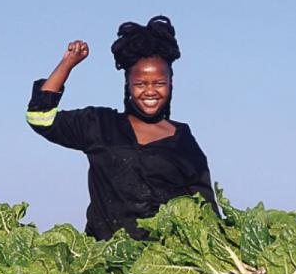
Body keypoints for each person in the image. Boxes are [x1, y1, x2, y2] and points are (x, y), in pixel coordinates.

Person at [26, 15, 217, 241]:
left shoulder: (182, 139)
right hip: (101, 262)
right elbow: (40, 118)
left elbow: (206, 210)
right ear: (128, 85)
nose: (150, 91)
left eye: (159, 83)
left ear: (170, 84)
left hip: (162, 265)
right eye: (140, 84)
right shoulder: (99, 124)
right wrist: (67, 63)